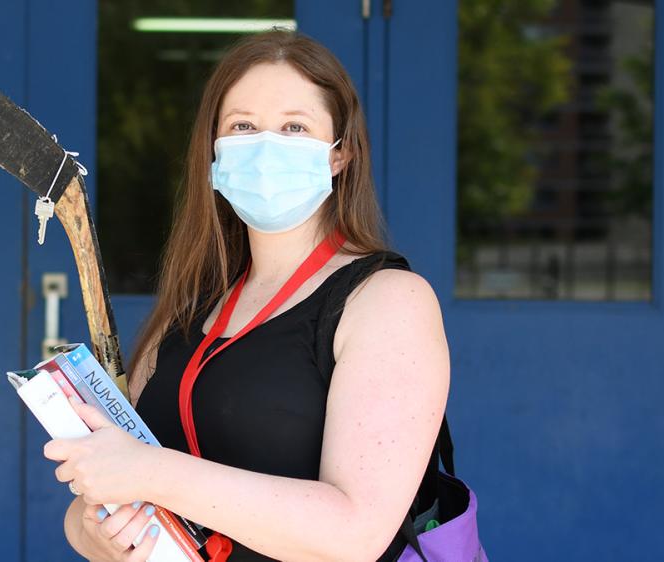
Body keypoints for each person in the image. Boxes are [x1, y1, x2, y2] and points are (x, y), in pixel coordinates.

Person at [43, 29, 450, 562]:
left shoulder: (388, 302)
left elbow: (355, 534)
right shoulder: (191, 310)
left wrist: (152, 473)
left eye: (294, 127)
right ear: (213, 150)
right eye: (243, 126)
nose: (265, 147)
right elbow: (100, 500)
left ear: (339, 154)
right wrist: (90, 531)